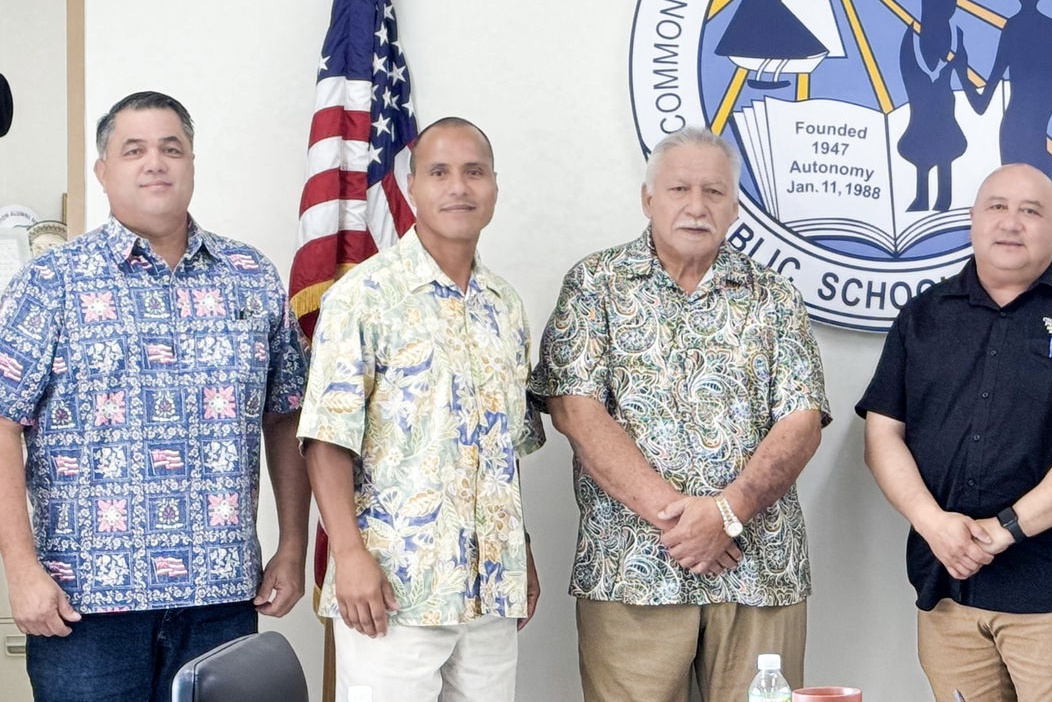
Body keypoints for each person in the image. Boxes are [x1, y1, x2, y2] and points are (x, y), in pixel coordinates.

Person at [0, 91, 309, 702]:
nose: (155, 163)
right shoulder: (51, 281)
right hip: (85, 604)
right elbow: (3, 421)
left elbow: (286, 416)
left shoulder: (251, 274)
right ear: (104, 170)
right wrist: (21, 568)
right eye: (134, 149)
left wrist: (293, 546)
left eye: (172, 149)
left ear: (192, 163)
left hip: (220, 598)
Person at [535, 127, 828, 702]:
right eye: (679, 189)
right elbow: (575, 410)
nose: (697, 206)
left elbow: (802, 421)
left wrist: (727, 513)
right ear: (648, 199)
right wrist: (686, 526)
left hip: (761, 569)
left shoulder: (775, 296)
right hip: (630, 568)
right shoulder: (595, 285)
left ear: (736, 205)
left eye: (714, 192)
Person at [858, 163, 1052, 701]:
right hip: (947, 581)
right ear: (972, 221)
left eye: (1032, 211)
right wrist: (933, 524)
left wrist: (1004, 530)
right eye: (997, 207)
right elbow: (882, 436)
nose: (1012, 222)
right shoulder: (923, 316)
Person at [299, 117, 543, 702]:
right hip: (393, 591)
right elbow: (326, 440)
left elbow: (504, 448)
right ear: (411, 188)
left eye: (473, 172)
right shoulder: (363, 296)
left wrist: (522, 550)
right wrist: (351, 556)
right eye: (440, 172)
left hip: (489, 591)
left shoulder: (505, 307)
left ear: (494, 188)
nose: (458, 187)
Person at [966, 0, 1052, 176]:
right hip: (1023, 129)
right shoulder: (1040, 27)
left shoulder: (1020, 27)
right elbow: (982, 104)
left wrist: (962, 70)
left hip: (1023, 129)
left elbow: (981, 102)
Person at [898, 0, 972, 212]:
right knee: (922, 151)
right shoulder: (913, 35)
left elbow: (962, 74)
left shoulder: (956, 35)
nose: (950, 3)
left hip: (945, 108)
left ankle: (944, 198)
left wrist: (957, 67)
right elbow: (910, 70)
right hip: (921, 108)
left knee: (945, 154)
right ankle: (921, 196)